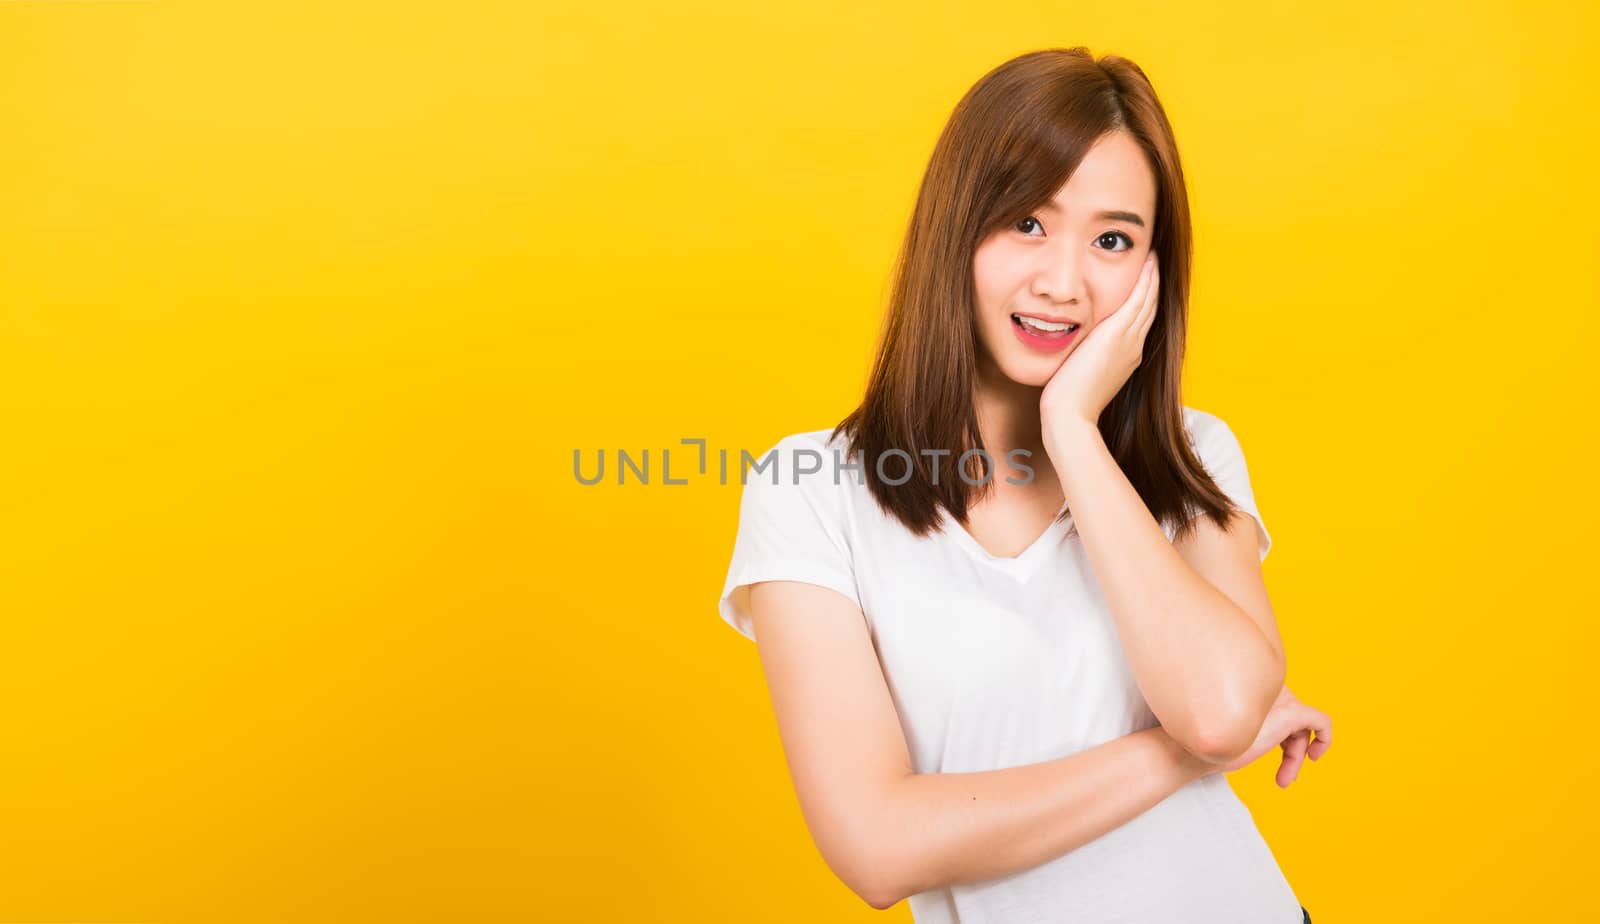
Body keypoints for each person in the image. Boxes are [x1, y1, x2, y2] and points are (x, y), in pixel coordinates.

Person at [717, 47, 1332, 924]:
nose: (1063, 282)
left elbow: (1222, 711)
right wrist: (1176, 758)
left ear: (1156, 269)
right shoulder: (813, 490)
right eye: (1027, 224)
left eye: (1113, 239)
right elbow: (875, 847)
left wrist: (1075, 435)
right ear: (956, 229)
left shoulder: (1193, 453)